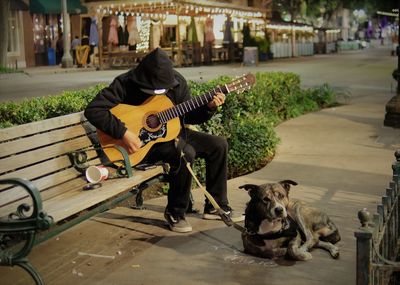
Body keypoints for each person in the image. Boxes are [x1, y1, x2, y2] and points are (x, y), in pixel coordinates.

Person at [84, 48, 244, 233]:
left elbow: (189, 116)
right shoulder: (125, 82)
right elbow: (94, 110)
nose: (157, 92)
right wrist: (123, 133)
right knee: (184, 153)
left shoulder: (176, 83)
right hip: (141, 146)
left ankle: (216, 206)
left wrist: (209, 107)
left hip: (171, 134)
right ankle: (175, 213)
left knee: (218, 145)